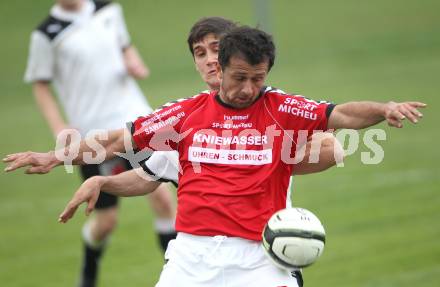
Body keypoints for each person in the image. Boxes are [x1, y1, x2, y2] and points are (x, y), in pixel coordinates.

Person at [5, 24, 426, 286]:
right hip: (191, 257)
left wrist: (383, 109)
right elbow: (123, 146)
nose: (248, 88)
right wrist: (63, 160)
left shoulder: (279, 108)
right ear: (219, 71)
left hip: (259, 258)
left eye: (257, 78)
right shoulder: (184, 115)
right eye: (239, 77)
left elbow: (341, 117)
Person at [22, 0, 176, 286]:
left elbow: (124, 44)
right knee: (106, 222)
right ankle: (89, 271)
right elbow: (40, 84)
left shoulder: (108, 9)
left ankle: (177, 273)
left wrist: (133, 59)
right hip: (93, 137)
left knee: (163, 199)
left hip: (134, 122)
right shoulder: (46, 34)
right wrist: (59, 127)